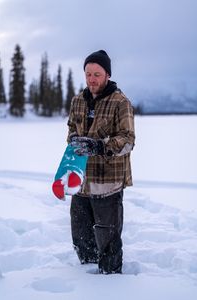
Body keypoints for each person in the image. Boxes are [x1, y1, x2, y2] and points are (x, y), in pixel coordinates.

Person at [67, 50, 135, 274]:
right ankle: (85, 280)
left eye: (97, 74)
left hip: (108, 184)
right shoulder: (78, 101)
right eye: (88, 74)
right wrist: (74, 141)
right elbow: (71, 131)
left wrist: (100, 146)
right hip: (81, 181)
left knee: (108, 241)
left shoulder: (120, 102)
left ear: (107, 74)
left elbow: (128, 140)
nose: (92, 79)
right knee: (81, 235)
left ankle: (110, 281)